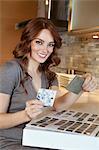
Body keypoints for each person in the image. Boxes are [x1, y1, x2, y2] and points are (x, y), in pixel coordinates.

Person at [0, 17, 97, 150]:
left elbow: (58, 105)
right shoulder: (11, 70)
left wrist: (81, 82)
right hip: (11, 142)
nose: (45, 50)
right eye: (39, 42)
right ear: (28, 42)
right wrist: (25, 115)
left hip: (39, 140)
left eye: (50, 44)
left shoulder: (48, 75)